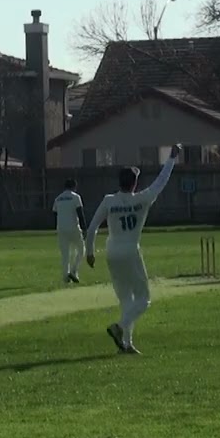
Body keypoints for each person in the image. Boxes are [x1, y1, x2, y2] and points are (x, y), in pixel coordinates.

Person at [84, 144, 181, 355]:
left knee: (126, 300)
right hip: (130, 251)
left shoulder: (109, 201)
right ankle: (119, 327)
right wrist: (172, 158)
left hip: (112, 253)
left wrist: (89, 253)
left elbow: (91, 229)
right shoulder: (143, 198)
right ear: (135, 183)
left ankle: (126, 345)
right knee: (144, 299)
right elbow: (161, 181)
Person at [51, 179, 87, 283]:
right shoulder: (76, 197)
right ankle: (74, 270)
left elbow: (54, 212)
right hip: (74, 227)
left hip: (61, 228)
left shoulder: (58, 198)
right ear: (74, 187)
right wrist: (84, 228)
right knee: (81, 249)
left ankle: (65, 276)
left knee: (65, 254)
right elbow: (80, 213)